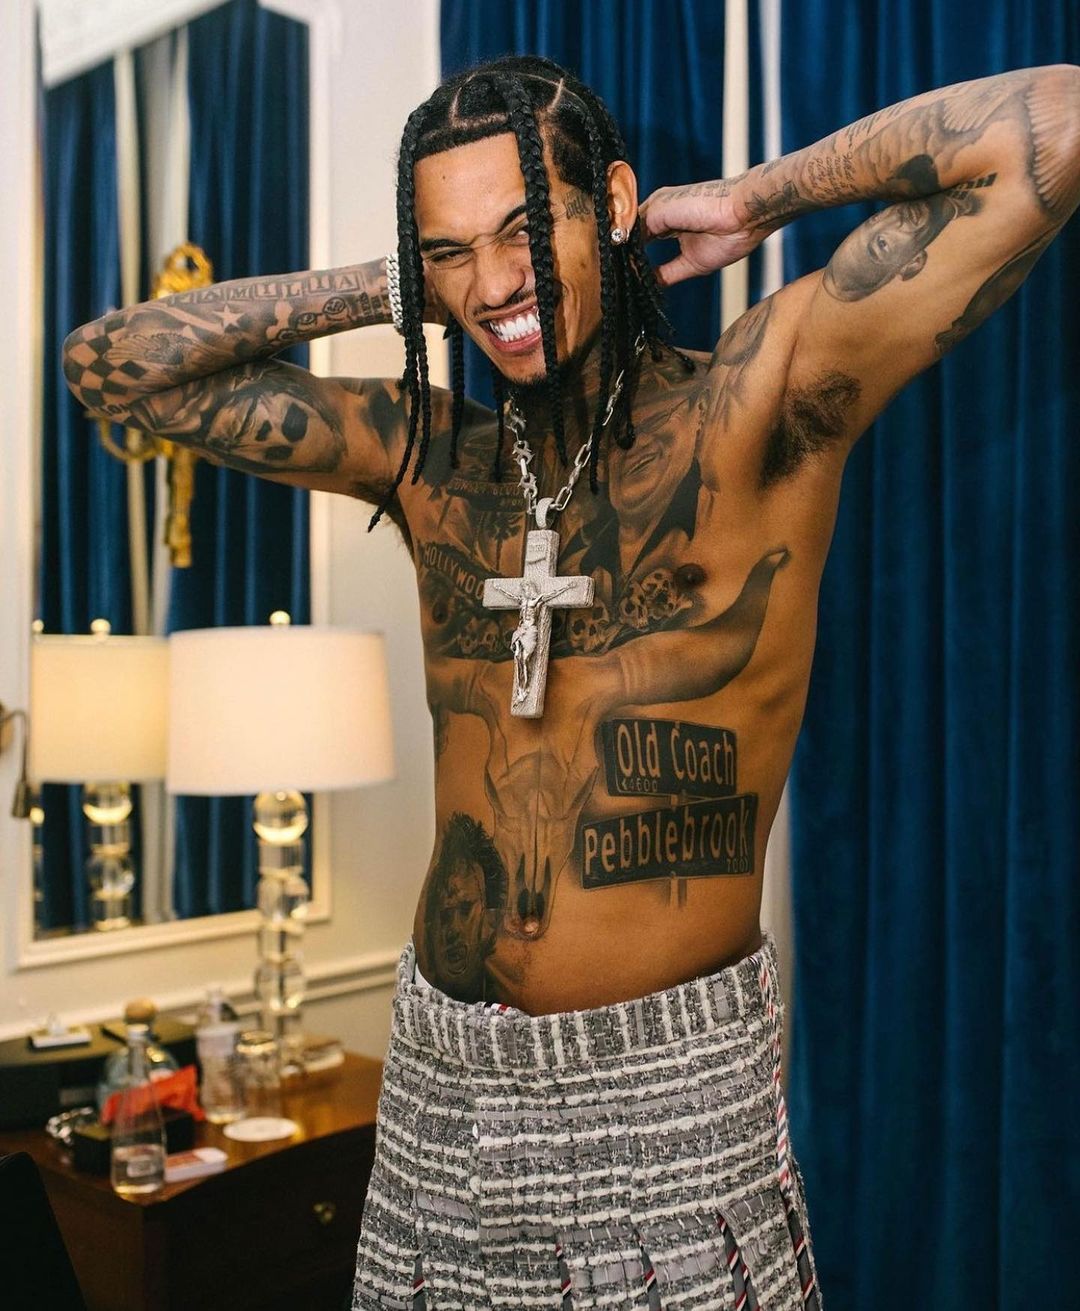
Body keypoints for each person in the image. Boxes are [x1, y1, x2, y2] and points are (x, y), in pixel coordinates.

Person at [63, 52, 1078, 1311]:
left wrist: (753, 197)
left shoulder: (751, 412)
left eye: (524, 230)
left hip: (663, 1097)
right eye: (452, 251)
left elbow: (1051, 126)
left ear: (614, 204)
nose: (494, 284)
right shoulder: (430, 458)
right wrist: (394, 280)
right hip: (437, 1091)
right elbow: (112, 366)